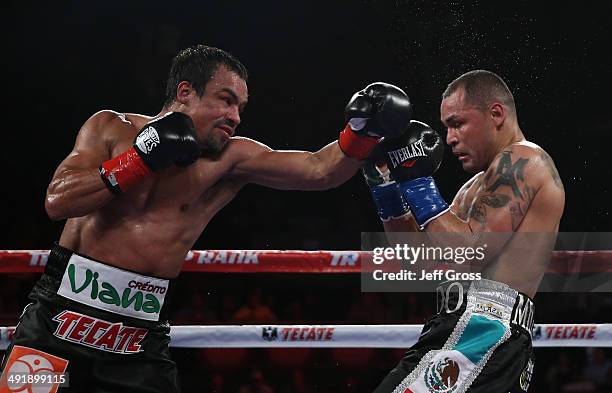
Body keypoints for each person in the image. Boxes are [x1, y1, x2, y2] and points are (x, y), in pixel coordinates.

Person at [0, 44, 412, 392]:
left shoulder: (229, 160)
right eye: (226, 100)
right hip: (57, 319)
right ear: (185, 92)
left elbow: (319, 170)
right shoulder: (110, 127)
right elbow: (58, 201)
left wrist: (363, 130)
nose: (235, 116)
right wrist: (140, 158)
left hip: (137, 340)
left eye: (241, 107)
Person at [363, 70, 565, 392]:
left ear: (496, 114)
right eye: (446, 127)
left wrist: (417, 181)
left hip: (482, 332)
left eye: (457, 124)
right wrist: (385, 186)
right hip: (471, 334)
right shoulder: (471, 189)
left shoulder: (525, 160)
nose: (449, 138)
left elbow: (474, 246)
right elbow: (418, 263)